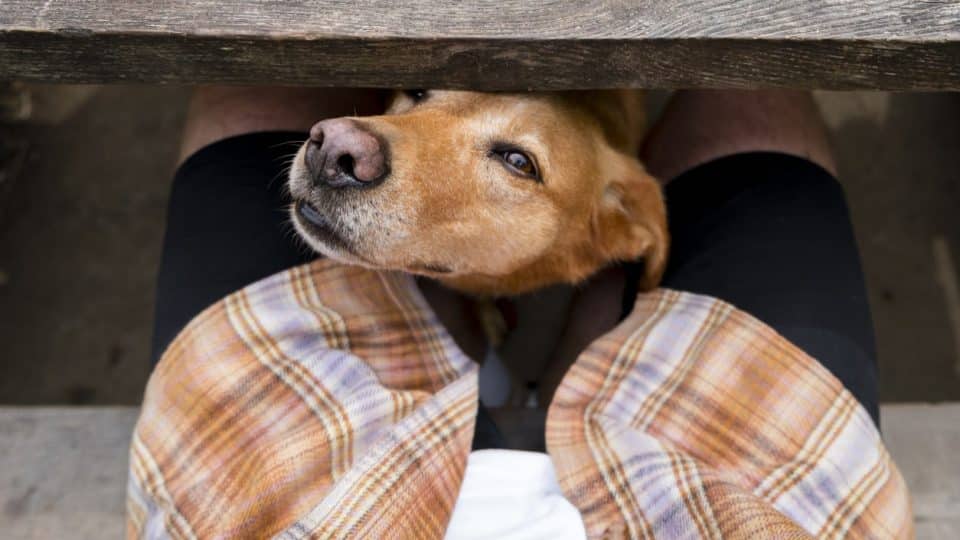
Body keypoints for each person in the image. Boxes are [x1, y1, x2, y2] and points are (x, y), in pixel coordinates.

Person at [132, 87, 909, 538]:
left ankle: (482, 345)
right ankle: (592, 342)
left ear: (619, 218)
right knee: (751, 103)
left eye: (514, 159)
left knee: (251, 89)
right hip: (714, 503)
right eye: (423, 97)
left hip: (301, 496)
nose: (350, 139)